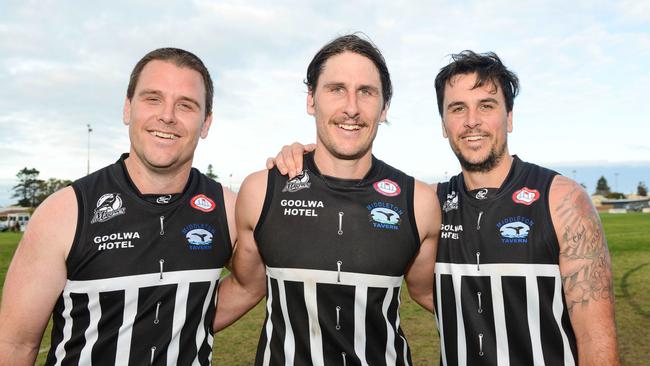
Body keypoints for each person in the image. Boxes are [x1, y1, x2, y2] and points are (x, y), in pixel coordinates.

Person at [272, 50, 619, 365]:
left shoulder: (561, 199)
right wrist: (308, 159)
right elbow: (424, 289)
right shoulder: (431, 204)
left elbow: (596, 339)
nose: (472, 121)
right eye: (457, 109)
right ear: (443, 124)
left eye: (487, 105)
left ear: (508, 117)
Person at [0, 47, 236, 365]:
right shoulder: (65, 212)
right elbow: (14, 344)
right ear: (128, 109)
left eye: (186, 105)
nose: (167, 115)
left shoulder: (228, 209)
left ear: (206, 123)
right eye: (152, 98)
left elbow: (253, 282)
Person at [214, 34, 440, 365]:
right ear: (311, 99)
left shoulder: (418, 202)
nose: (351, 107)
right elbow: (247, 287)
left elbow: (429, 293)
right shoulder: (261, 191)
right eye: (336, 89)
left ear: (384, 107)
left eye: (366, 92)